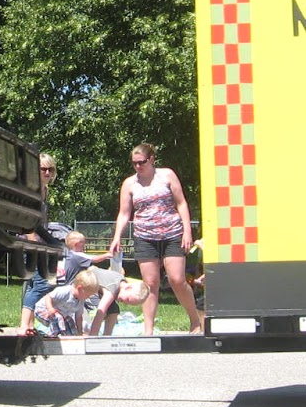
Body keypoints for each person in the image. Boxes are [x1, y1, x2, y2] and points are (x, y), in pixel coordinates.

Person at [107, 143, 203, 335]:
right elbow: (124, 213)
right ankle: (148, 331)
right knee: (150, 283)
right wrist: (117, 236)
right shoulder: (129, 183)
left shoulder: (166, 175)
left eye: (141, 162)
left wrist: (187, 230)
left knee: (177, 279)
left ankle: (195, 322)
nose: (137, 167)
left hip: (172, 233)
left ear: (151, 159)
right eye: (134, 163)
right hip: (145, 236)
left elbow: (181, 202)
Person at [17, 152, 60, 335]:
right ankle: (23, 326)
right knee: (41, 284)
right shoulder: (32, 189)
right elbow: (27, 219)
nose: (48, 172)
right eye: (44, 169)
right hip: (30, 241)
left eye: (51, 169)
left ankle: (29, 325)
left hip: (40, 241)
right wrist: (34, 243)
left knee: (34, 284)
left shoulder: (44, 189)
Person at [33, 269, 102, 336]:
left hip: (60, 315)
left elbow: (78, 317)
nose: (88, 297)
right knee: (57, 317)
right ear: (80, 288)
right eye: (88, 295)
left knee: (70, 321)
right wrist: (50, 308)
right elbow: (48, 297)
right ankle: (53, 336)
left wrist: (80, 331)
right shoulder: (65, 291)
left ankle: (70, 336)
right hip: (43, 310)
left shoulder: (81, 300)